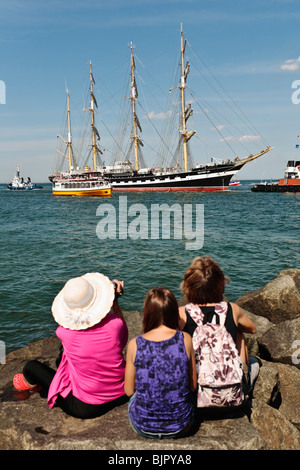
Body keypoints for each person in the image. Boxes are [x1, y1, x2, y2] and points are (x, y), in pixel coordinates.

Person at [13, 272, 129, 419]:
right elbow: (122, 340)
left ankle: (32, 385)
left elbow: (73, 326)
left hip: (86, 407)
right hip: (121, 393)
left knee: (30, 367)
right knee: (64, 356)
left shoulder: (64, 333)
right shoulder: (115, 325)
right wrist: (115, 301)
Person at [179, 256, 261, 393]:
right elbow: (253, 329)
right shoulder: (232, 308)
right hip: (231, 397)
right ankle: (242, 378)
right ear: (221, 285)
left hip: (197, 395)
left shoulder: (182, 313)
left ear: (188, 287)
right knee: (240, 333)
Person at [125, 287, 197, 439]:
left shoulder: (135, 344)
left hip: (143, 427)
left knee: (135, 397)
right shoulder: (185, 339)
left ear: (147, 313)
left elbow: (129, 391)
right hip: (181, 426)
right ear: (173, 312)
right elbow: (193, 386)